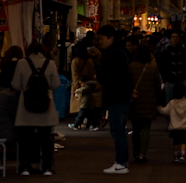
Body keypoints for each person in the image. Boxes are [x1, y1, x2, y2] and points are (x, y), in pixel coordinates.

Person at [11, 41, 61, 176]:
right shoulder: (49, 63)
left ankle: (25, 167)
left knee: (26, 138)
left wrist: (25, 88)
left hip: (26, 105)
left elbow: (15, 84)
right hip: (45, 106)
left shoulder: (22, 63)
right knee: (46, 138)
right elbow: (56, 84)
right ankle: (47, 168)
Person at [95, 25, 133, 173]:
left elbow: (106, 76)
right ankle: (121, 161)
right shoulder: (117, 53)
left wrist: (99, 65)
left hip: (116, 96)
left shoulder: (112, 54)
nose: (100, 42)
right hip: (120, 96)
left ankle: (121, 162)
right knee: (118, 130)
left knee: (118, 130)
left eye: (102, 39)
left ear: (111, 38)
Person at [128, 44, 162, 164]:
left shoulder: (131, 67)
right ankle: (142, 153)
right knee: (146, 128)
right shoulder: (152, 68)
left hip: (135, 101)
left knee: (135, 129)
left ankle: (136, 152)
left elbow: (128, 83)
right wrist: (159, 101)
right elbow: (157, 86)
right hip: (149, 101)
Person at [157, 83, 186, 164]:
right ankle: (182, 155)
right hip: (185, 127)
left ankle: (175, 155)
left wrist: (159, 108)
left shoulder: (172, 102)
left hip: (175, 127)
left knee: (175, 141)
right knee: (183, 141)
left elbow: (165, 111)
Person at [69, 46, 98, 129]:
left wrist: (78, 87)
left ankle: (78, 123)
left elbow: (75, 75)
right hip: (88, 86)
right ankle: (86, 122)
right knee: (87, 107)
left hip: (79, 85)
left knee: (81, 107)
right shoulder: (89, 61)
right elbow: (92, 74)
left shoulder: (75, 61)